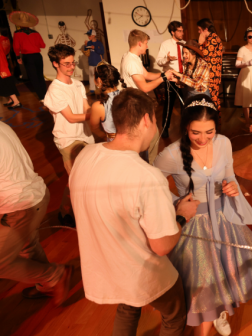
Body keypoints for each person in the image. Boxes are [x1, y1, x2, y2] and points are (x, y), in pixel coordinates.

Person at [70, 88, 199, 336]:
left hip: (105, 267)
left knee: (128, 308)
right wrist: (181, 215)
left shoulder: (85, 155)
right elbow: (162, 246)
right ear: (147, 120)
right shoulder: (146, 176)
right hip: (141, 273)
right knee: (174, 315)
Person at [154, 94, 252, 336]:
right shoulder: (171, 154)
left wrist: (233, 187)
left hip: (224, 219)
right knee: (203, 284)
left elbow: (230, 175)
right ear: (185, 126)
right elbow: (150, 188)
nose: (203, 139)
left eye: (210, 131)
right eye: (196, 132)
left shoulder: (224, 143)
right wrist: (176, 204)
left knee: (226, 272)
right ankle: (210, 317)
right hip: (193, 227)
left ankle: (219, 312)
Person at [0, 121, 73, 306]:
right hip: (36, 194)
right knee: (27, 247)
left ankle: (55, 275)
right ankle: (47, 284)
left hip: (21, 207)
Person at [44, 44, 94, 228]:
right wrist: (97, 115)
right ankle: (66, 213)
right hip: (68, 139)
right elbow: (71, 118)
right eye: (66, 64)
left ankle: (85, 210)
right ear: (55, 64)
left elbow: (86, 109)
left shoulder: (78, 84)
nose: (72, 67)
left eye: (73, 63)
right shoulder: (55, 90)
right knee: (77, 180)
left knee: (88, 176)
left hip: (85, 135)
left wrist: (95, 117)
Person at [120, 30, 169, 163]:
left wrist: (165, 74)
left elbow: (146, 75)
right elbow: (145, 87)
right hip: (137, 104)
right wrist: (163, 78)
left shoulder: (133, 57)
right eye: (146, 43)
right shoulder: (131, 62)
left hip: (139, 102)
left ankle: (147, 164)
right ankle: (149, 166)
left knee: (152, 135)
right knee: (150, 136)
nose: (147, 46)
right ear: (140, 43)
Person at [156, 21, 185, 139]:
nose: (182, 33)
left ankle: (185, 128)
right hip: (171, 79)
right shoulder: (165, 44)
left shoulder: (185, 43)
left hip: (184, 79)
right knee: (169, 105)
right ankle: (165, 129)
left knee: (185, 105)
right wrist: (167, 59)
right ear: (172, 32)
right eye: (179, 31)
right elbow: (159, 61)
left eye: (182, 30)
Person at [9, 11, 47, 102]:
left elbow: (16, 47)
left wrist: (18, 57)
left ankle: (41, 97)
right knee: (40, 76)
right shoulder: (35, 33)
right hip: (38, 56)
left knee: (33, 77)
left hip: (27, 57)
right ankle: (45, 95)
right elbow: (43, 45)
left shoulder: (17, 33)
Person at [88, 62, 129, 144]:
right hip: (135, 141)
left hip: (116, 144)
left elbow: (94, 128)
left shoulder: (99, 106)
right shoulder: (128, 96)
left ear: (99, 80)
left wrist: (109, 137)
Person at [197, 18, 224, 111]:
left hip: (212, 75)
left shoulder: (213, 38)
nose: (198, 32)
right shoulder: (209, 38)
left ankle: (216, 123)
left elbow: (204, 55)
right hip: (209, 74)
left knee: (213, 100)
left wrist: (200, 43)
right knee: (210, 100)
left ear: (205, 29)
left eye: (199, 29)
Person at [0, 35, 21, 108]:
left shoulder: (2, 39)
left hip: (1, 66)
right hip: (3, 63)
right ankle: (11, 99)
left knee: (6, 83)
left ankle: (16, 101)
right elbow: (6, 51)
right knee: (5, 83)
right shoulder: (3, 39)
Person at [83, 29, 104, 94]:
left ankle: (102, 87)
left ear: (93, 35)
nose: (88, 37)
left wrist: (95, 48)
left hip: (98, 63)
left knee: (100, 76)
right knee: (91, 76)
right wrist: (85, 45)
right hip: (91, 62)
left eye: (89, 35)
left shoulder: (99, 43)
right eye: (88, 35)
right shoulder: (89, 43)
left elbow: (102, 52)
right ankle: (92, 89)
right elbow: (86, 52)